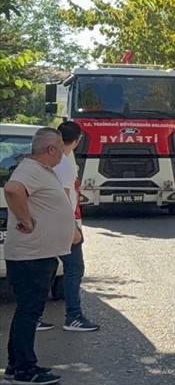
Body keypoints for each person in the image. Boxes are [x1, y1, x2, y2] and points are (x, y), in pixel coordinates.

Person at [3, 128, 76, 385]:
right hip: (30, 255)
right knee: (29, 313)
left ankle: (16, 365)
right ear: (51, 149)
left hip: (37, 255)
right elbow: (12, 190)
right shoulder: (30, 169)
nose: (62, 154)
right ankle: (25, 370)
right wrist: (26, 220)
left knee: (27, 311)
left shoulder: (40, 171)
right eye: (59, 148)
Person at [51, 121, 98, 332]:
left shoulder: (56, 157)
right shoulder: (65, 163)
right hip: (65, 223)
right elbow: (64, 196)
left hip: (53, 222)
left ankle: (32, 317)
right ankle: (74, 317)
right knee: (74, 269)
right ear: (78, 140)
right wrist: (73, 227)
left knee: (46, 268)